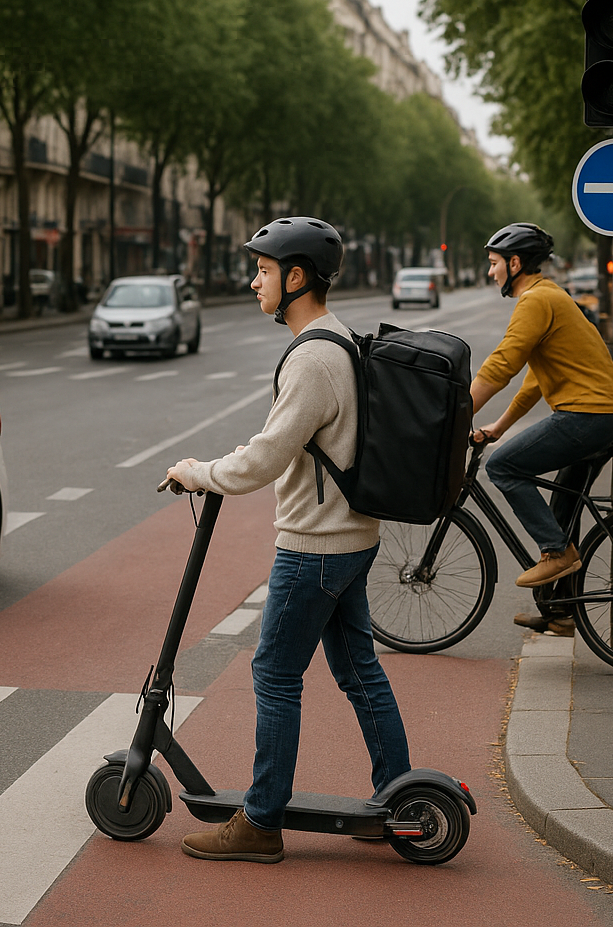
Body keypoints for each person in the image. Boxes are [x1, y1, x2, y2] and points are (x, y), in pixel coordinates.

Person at [163, 217, 410, 864]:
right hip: (353, 537)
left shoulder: (314, 358)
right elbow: (289, 445)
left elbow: (267, 457)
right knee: (361, 674)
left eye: (264, 271)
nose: (254, 281)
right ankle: (398, 796)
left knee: (274, 675)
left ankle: (261, 821)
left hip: (316, 547)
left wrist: (198, 472)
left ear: (296, 276)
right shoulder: (338, 342)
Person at [469, 224, 613, 635]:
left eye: (493, 265)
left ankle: (557, 552)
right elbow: (533, 381)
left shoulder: (535, 301)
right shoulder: (552, 298)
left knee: (504, 467)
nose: (490, 273)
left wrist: (456, 413)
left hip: (591, 414)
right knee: (562, 506)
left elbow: (503, 365)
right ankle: (560, 612)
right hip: (605, 412)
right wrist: (498, 425)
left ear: (514, 263)